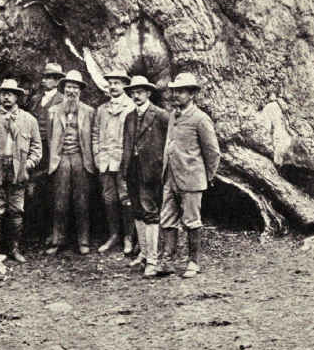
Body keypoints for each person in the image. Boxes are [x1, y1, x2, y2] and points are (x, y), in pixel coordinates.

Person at [160, 73, 220, 278]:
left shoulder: (200, 119)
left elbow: (213, 153)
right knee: (167, 219)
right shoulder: (173, 116)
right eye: (175, 91)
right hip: (171, 177)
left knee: (191, 221)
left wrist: (206, 177)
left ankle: (193, 262)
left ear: (192, 94)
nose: (176, 95)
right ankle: (167, 261)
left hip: (191, 179)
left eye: (182, 91)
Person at [0, 79, 42, 263]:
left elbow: (37, 147)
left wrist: (28, 164)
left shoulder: (29, 120)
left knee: (16, 211)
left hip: (18, 171)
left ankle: (14, 249)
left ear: (17, 97)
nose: (6, 97)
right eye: (3, 93)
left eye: (10, 93)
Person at [119, 76, 169, 277]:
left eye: (140, 92)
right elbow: (126, 145)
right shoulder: (129, 116)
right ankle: (144, 254)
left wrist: (162, 168)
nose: (136, 95)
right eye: (133, 92)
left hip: (151, 172)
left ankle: (153, 260)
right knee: (137, 211)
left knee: (150, 212)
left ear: (149, 93)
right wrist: (124, 168)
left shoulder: (161, 115)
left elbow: (168, 145)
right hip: (132, 170)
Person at [46, 70, 95, 256]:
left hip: (81, 158)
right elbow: (50, 138)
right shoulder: (53, 111)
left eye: (75, 87)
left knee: (82, 200)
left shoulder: (89, 112)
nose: (72, 91)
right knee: (60, 201)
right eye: (69, 87)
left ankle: (83, 241)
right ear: (63, 89)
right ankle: (58, 240)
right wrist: (55, 159)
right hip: (61, 158)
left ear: (80, 90)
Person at [92, 70, 135, 254]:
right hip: (104, 161)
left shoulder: (131, 107)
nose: (113, 87)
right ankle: (114, 235)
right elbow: (95, 134)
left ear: (125, 85)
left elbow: (133, 138)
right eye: (110, 83)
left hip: (123, 162)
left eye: (117, 83)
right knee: (108, 199)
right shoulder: (101, 109)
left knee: (126, 198)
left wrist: (129, 161)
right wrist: (96, 155)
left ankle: (128, 237)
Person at [27, 62, 65, 244]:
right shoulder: (36, 99)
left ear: (57, 80)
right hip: (35, 147)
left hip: (51, 148)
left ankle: (53, 232)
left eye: (50, 77)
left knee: (52, 189)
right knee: (34, 189)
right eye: (45, 77)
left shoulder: (62, 100)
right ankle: (37, 232)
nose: (46, 80)